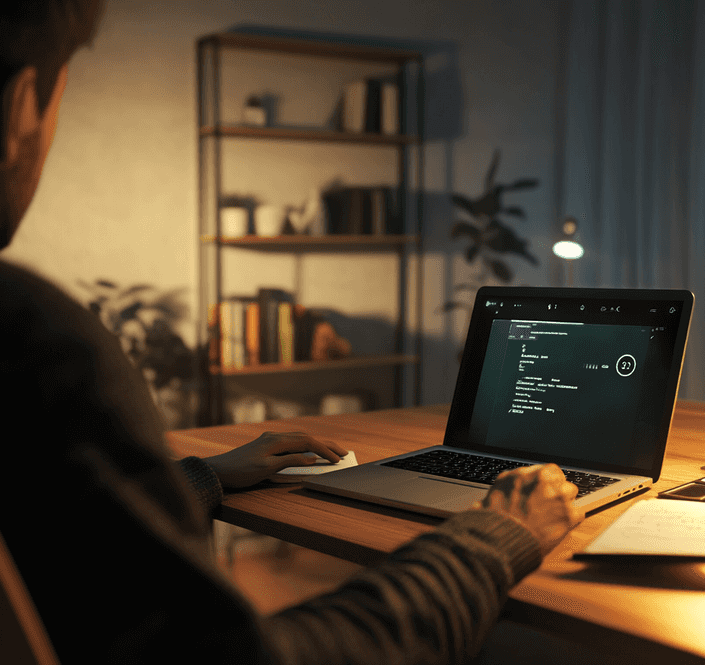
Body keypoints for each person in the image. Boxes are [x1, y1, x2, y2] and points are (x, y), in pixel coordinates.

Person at [0, 2, 582, 663]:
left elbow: (52, 536)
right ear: (25, 103)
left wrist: (201, 477)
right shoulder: (35, 345)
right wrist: (498, 532)